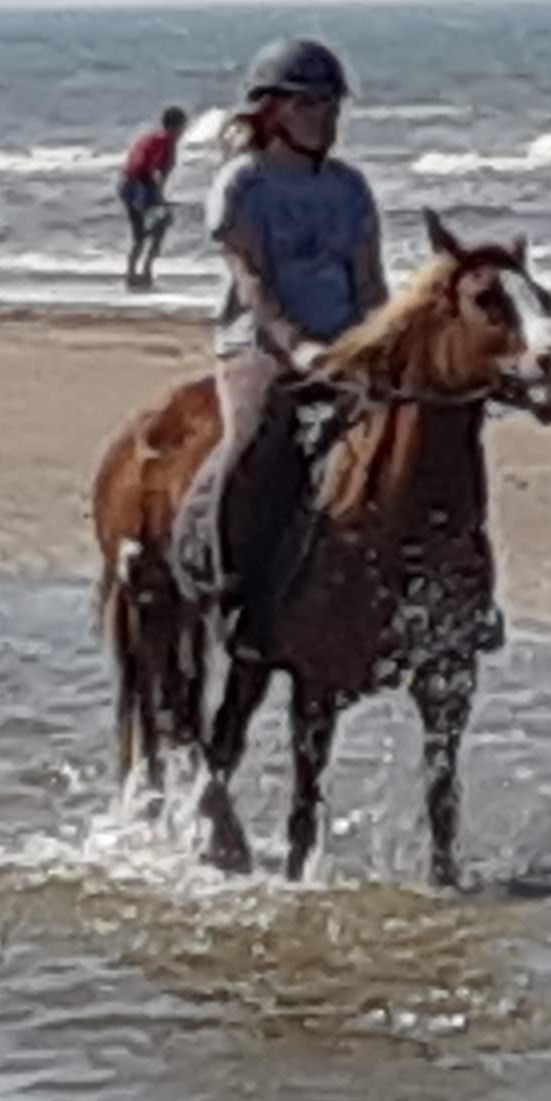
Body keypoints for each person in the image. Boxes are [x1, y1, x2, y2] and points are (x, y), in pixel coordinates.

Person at [178, 38, 385, 653]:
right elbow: (255, 284)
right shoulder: (243, 185)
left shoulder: (350, 189)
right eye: (312, 104)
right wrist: (297, 348)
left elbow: (370, 284)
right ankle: (224, 576)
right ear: (272, 111)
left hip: (346, 345)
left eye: (332, 105)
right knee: (256, 436)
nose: (327, 118)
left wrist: (382, 348)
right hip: (260, 345)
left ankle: (450, 593)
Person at [116, 105, 188, 290]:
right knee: (146, 232)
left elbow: (159, 173)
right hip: (136, 186)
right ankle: (136, 274)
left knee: (157, 227)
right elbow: (145, 167)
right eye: (182, 127)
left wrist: (159, 195)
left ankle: (140, 272)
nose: (184, 131)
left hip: (137, 185)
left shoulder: (165, 142)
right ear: (174, 127)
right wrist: (150, 194)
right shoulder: (161, 140)